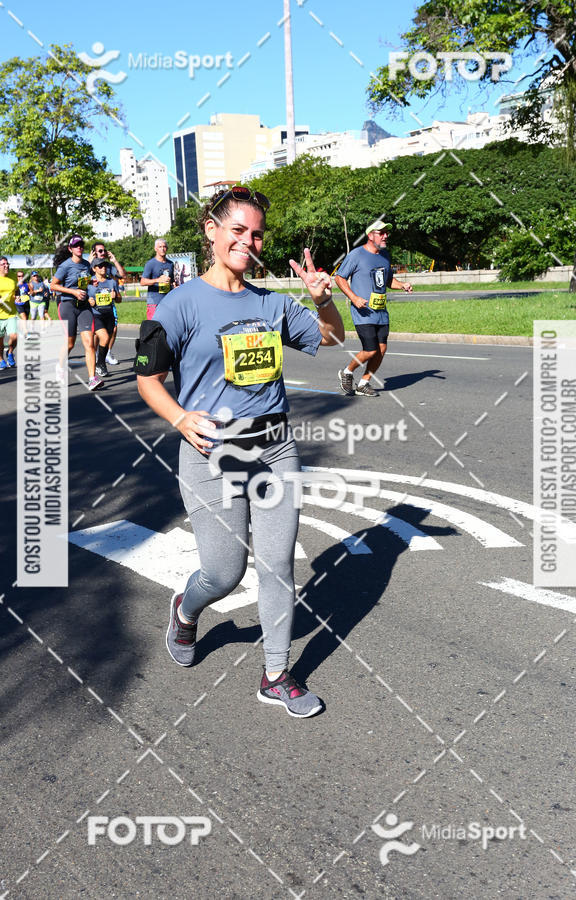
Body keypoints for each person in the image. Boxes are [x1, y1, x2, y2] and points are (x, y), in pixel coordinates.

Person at [135, 185, 344, 717]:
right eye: (237, 230)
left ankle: (276, 675)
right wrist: (179, 416)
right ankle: (186, 610)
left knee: (277, 565)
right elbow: (148, 379)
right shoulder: (178, 305)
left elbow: (331, 339)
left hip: (274, 448)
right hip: (211, 451)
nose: (248, 242)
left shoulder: (271, 303)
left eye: (257, 234)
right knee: (224, 574)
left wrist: (322, 299)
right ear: (211, 231)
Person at [335, 220, 413, 397]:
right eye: (381, 233)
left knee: (382, 349)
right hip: (363, 312)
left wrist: (402, 285)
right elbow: (339, 278)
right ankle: (347, 372)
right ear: (370, 235)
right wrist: (354, 298)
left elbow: (388, 280)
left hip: (381, 312)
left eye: (386, 233)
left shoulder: (384, 256)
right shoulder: (356, 255)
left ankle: (364, 383)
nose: (385, 236)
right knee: (370, 350)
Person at [50, 235, 103, 391]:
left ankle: (92, 379)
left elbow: (83, 280)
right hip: (67, 306)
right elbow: (53, 286)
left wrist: (91, 282)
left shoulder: (86, 265)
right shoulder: (65, 266)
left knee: (89, 343)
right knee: (70, 343)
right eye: (76, 245)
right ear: (70, 249)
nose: (79, 247)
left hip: (84, 306)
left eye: (81, 245)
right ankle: (59, 367)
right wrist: (73, 292)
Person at [90, 241, 126, 365]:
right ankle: (95, 353)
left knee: (113, 329)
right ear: (94, 252)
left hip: (108, 303)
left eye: (104, 250)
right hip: (94, 305)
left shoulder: (108, 266)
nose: (103, 252)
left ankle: (107, 353)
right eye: (100, 251)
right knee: (96, 333)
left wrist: (114, 261)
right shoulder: (89, 265)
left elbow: (122, 275)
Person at [87, 257, 121, 378]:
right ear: (94, 269)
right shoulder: (89, 282)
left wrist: (116, 296)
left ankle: (100, 363)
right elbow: (81, 298)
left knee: (106, 341)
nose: (103, 268)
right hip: (96, 315)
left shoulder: (112, 282)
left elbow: (119, 300)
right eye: (100, 266)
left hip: (109, 315)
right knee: (104, 338)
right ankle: (101, 363)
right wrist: (88, 301)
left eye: (105, 266)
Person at [140, 238, 174, 320]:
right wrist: (158, 280)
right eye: (160, 247)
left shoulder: (170, 264)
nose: (162, 249)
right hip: (154, 302)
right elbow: (142, 282)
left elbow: (172, 281)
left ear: (167, 248)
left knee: (167, 325)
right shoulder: (150, 264)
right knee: (154, 326)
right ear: (155, 249)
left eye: (164, 247)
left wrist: (174, 286)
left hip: (168, 301)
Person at [0, 257, 18, 370]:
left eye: (7, 263)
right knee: (0, 341)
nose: (6, 266)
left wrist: (17, 297)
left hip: (11, 313)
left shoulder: (12, 276)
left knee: (14, 336)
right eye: (3, 264)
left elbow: (16, 290)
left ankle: (10, 352)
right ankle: (1, 360)